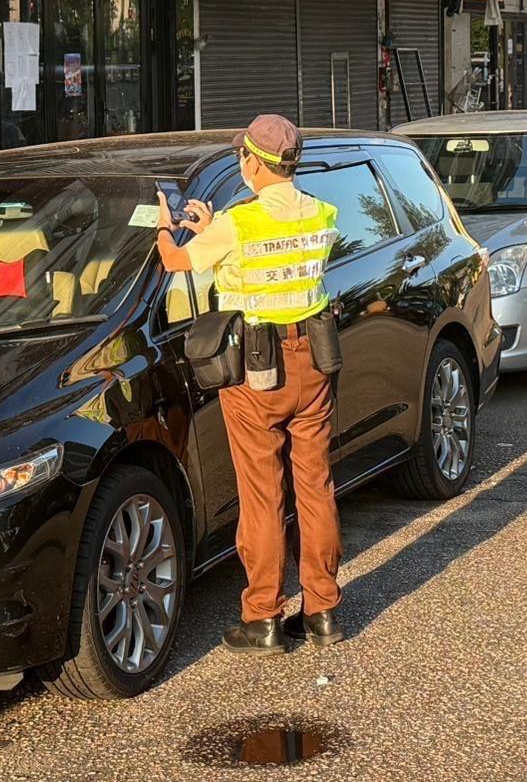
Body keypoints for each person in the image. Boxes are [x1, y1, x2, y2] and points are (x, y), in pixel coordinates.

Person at [154, 114, 343, 654]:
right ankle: (323, 610)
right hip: (314, 362)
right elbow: (276, 261)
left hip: (257, 370)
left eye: (243, 156)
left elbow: (175, 262)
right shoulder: (319, 213)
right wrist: (216, 226)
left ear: (253, 162)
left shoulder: (240, 223)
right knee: (316, 487)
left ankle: (262, 617)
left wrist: (166, 225)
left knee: (263, 496)